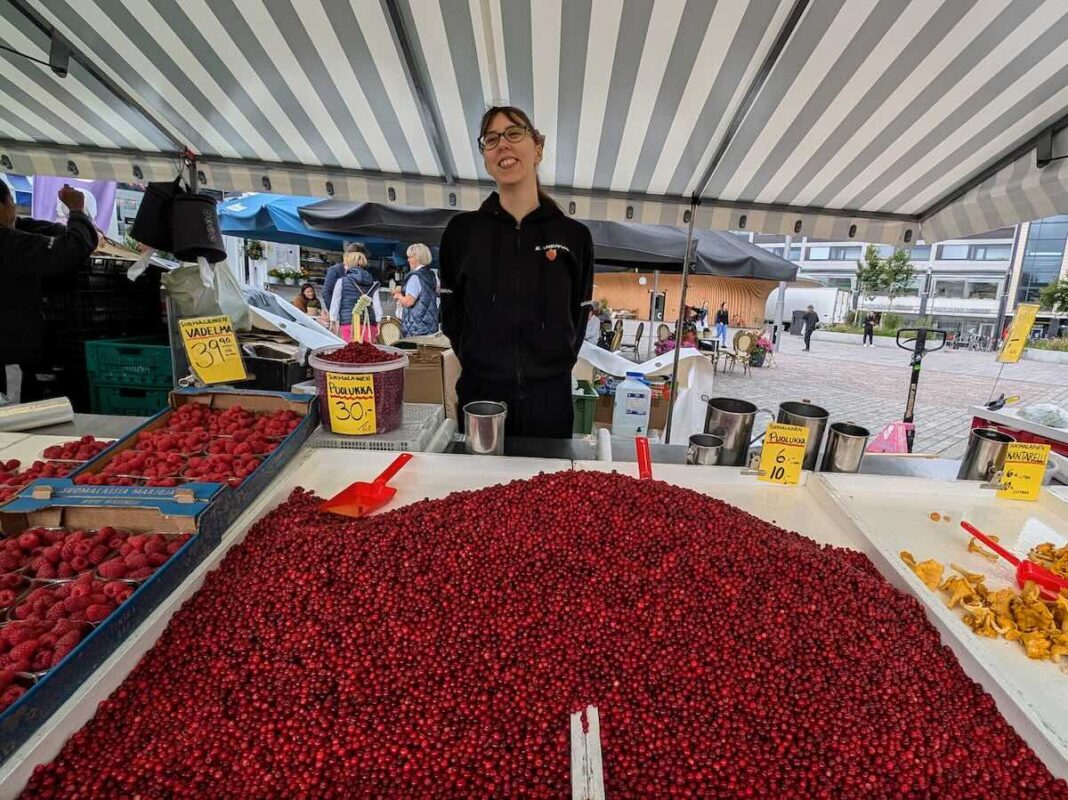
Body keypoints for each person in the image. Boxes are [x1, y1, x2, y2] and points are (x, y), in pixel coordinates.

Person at [440, 105, 594, 438]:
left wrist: (555, 361)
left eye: (514, 133)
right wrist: (478, 359)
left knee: (547, 487)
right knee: (480, 487)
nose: (503, 145)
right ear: (485, 157)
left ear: (538, 148)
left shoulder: (574, 236)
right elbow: (451, 313)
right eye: (491, 139)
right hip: (482, 395)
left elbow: (579, 315)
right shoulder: (462, 232)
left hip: (549, 399)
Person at [0, 182, 97, 401]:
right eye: (12, 203)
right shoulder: (8, 244)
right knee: (13, 421)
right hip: (8, 357)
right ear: (3, 205)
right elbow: (73, 249)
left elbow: (27, 229)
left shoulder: (12, 239)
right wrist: (76, 211)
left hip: (14, 353)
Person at [329, 251, 382, 343]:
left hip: (348, 322)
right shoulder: (373, 283)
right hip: (369, 323)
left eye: (345, 264)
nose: (344, 267)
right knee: (367, 353)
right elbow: (377, 305)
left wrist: (333, 321)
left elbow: (335, 303)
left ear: (349, 264)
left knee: (351, 354)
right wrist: (378, 321)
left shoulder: (341, 281)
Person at [392, 243, 439, 337]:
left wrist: (399, 296)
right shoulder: (430, 275)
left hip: (416, 328)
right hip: (430, 325)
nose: (408, 260)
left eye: (410, 257)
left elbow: (409, 302)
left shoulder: (415, 277)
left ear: (417, 258)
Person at [322, 242, 368, 312]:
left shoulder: (363, 271)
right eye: (361, 257)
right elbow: (327, 293)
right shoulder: (336, 269)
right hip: (342, 313)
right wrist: (334, 314)